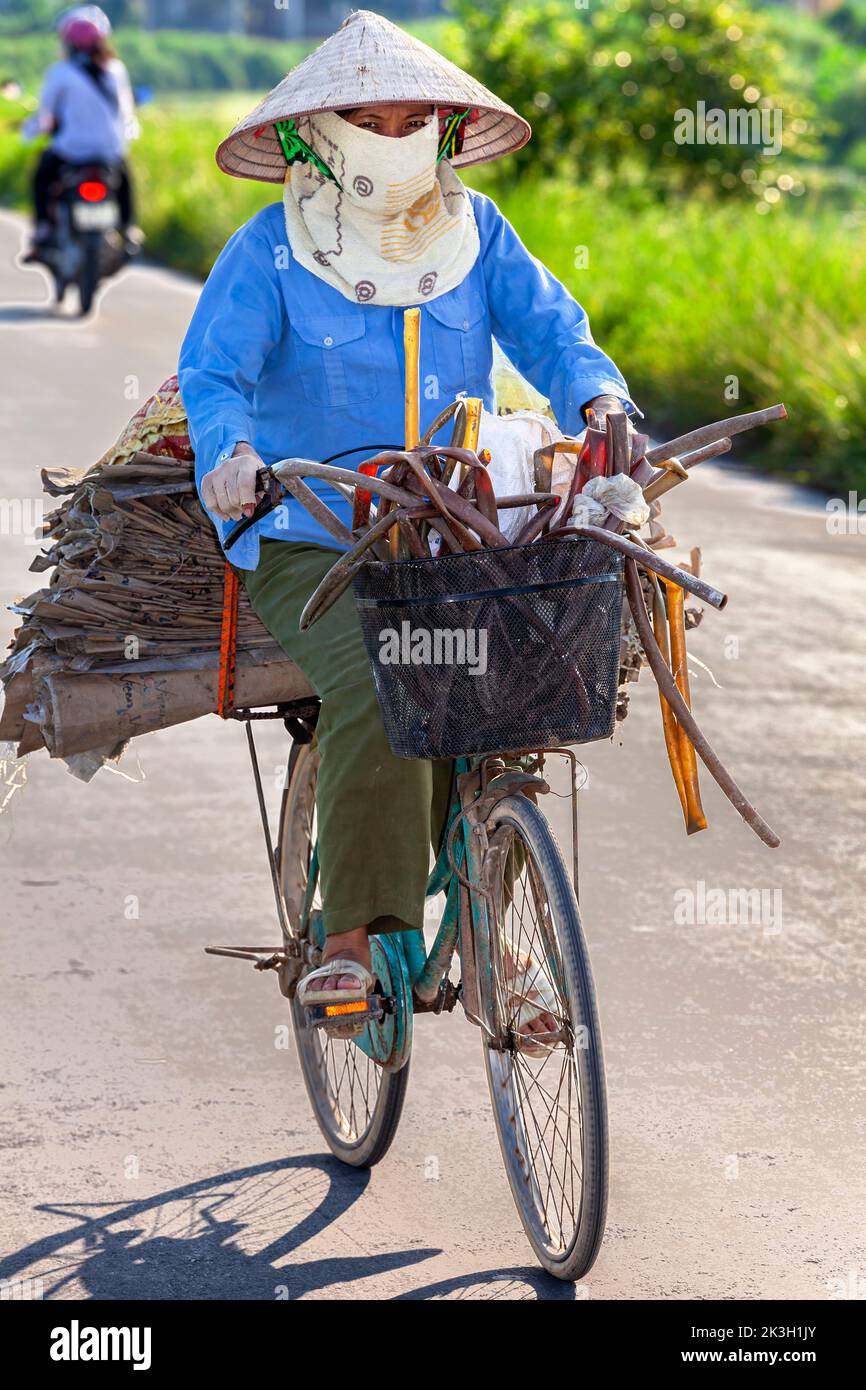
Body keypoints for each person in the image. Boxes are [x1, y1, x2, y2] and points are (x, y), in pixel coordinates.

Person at [179, 10, 641, 1044]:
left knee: (518, 680)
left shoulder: (479, 236)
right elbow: (215, 376)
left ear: (442, 129)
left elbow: (555, 333)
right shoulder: (270, 252)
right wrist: (232, 458)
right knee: (384, 678)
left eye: (410, 116)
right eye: (368, 116)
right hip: (311, 538)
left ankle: (492, 934)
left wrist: (600, 405)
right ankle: (347, 936)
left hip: (453, 526)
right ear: (318, 135)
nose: (392, 133)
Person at [25, 5, 140, 258]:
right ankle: (129, 226)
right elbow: (126, 111)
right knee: (124, 179)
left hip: (71, 150)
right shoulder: (116, 70)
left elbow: (46, 117)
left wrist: (31, 132)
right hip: (109, 150)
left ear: (68, 43)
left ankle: (43, 228)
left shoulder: (59, 73)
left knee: (42, 176)